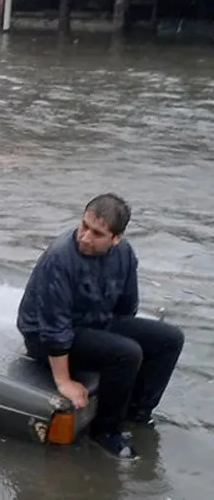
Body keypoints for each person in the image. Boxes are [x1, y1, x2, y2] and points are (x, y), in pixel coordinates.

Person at [16, 193, 185, 460]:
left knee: (169, 339)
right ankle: (105, 431)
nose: (84, 237)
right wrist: (64, 381)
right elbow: (53, 326)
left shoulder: (125, 254)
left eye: (96, 233)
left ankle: (137, 414)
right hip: (45, 336)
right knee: (127, 353)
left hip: (95, 321)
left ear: (115, 238)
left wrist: (116, 334)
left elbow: (127, 307)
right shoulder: (60, 258)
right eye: (83, 226)